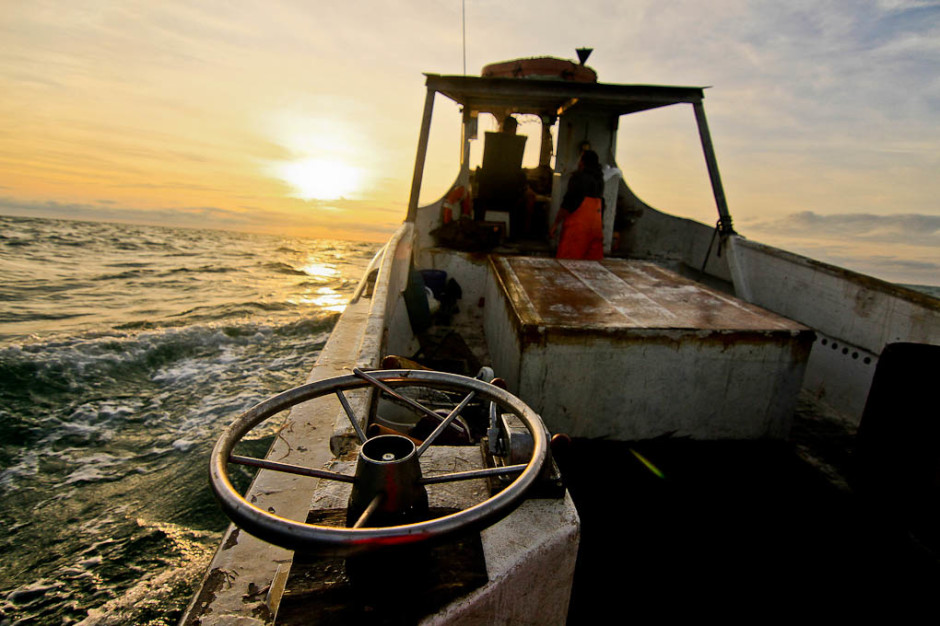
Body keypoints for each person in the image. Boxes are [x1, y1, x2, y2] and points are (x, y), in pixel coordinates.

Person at [550, 149, 604, 259]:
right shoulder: (600, 180)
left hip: (579, 229)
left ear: (582, 162)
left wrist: (555, 224)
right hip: (596, 228)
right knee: (591, 267)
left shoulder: (578, 177)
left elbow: (567, 203)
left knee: (567, 263)